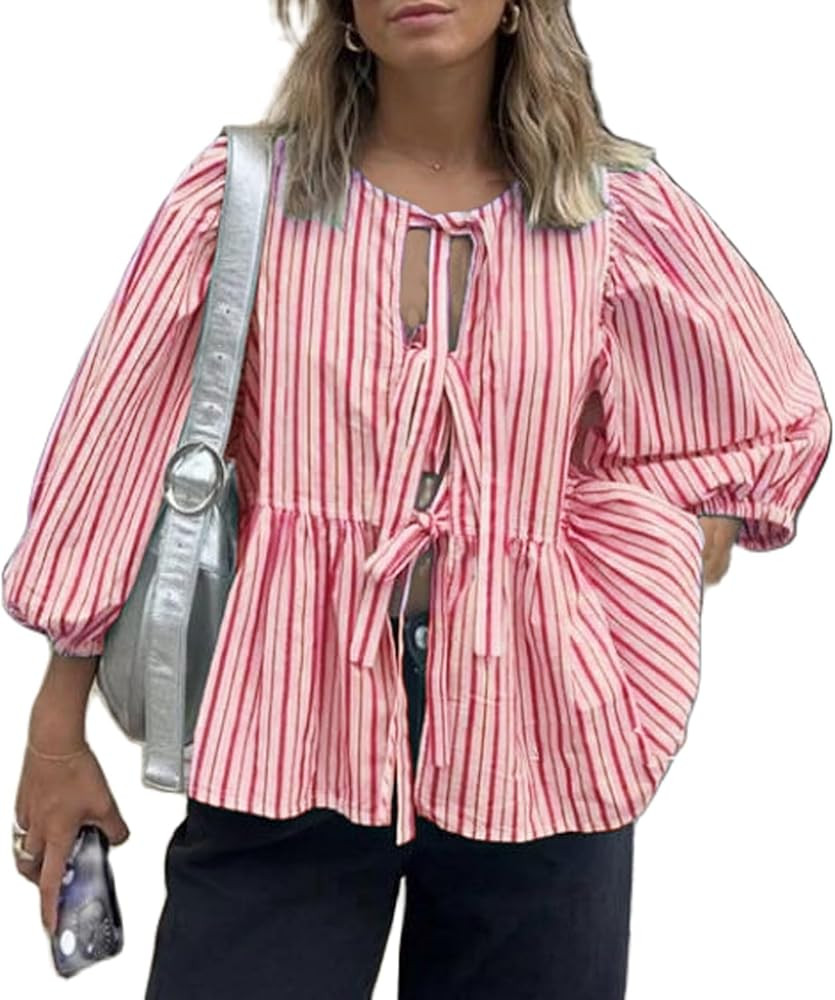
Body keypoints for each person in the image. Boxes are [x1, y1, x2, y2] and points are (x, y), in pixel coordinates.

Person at [4, 1, 831, 997]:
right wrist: (57, 733)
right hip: (287, 712)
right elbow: (116, 456)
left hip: (537, 728)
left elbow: (756, 422)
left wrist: (633, 567)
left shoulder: (614, 212)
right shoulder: (242, 196)